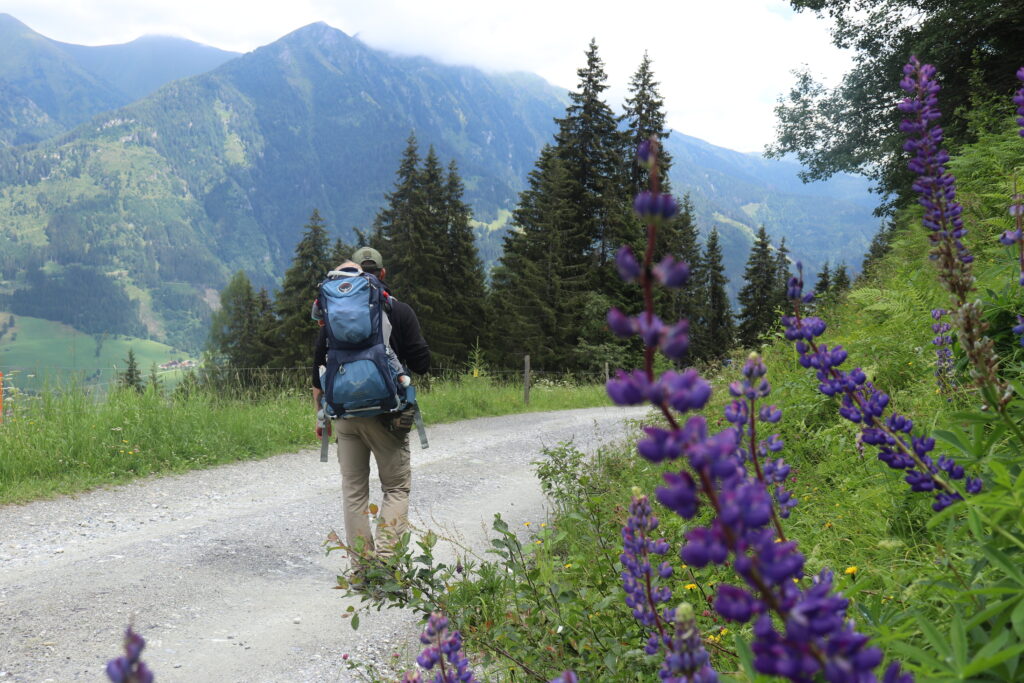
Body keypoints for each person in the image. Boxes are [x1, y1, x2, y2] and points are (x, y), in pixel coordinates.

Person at [311, 247, 430, 563]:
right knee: (395, 489)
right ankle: (387, 563)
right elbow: (423, 363)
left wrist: (321, 420)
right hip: (386, 414)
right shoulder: (398, 310)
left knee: (354, 493)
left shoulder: (334, 315)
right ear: (381, 273)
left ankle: (363, 569)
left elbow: (317, 371)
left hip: (345, 415)